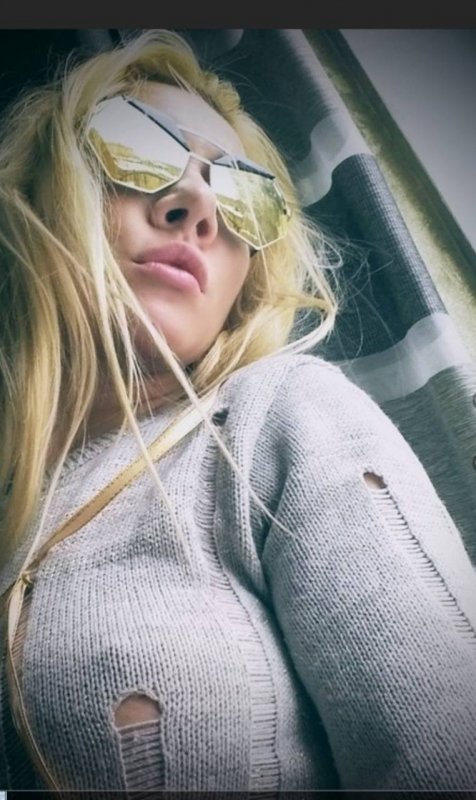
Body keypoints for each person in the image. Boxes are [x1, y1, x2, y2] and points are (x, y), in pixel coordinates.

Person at [0, 29, 475, 793]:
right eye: (137, 145)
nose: (198, 206)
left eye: (244, 196)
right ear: (43, 184)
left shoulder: (279, 418)